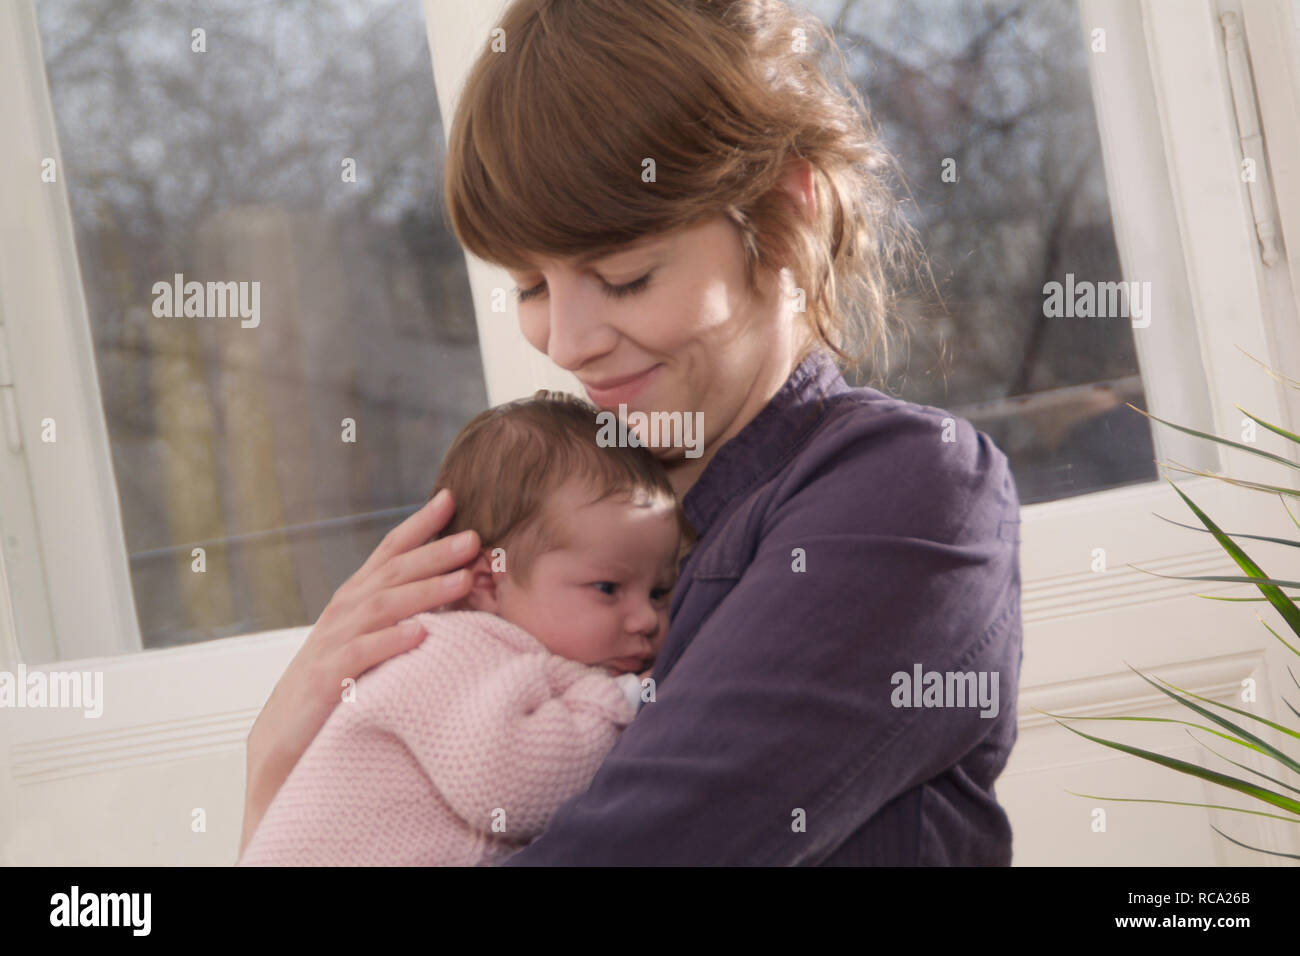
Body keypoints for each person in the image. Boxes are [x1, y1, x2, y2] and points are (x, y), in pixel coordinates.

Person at [240, 0, 1024, 865]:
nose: (565, 342)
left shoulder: (905, 491)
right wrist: (279, 761)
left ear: (782, 214)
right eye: (531, 285)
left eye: (624, 276)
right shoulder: (551, 521)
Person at [238, 393, 681, 866]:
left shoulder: (519, 657)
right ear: (489, 583)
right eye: (608, 588)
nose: (646, 619)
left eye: (659, 592)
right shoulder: (447, 652)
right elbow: (511, 784)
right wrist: (623, 701)